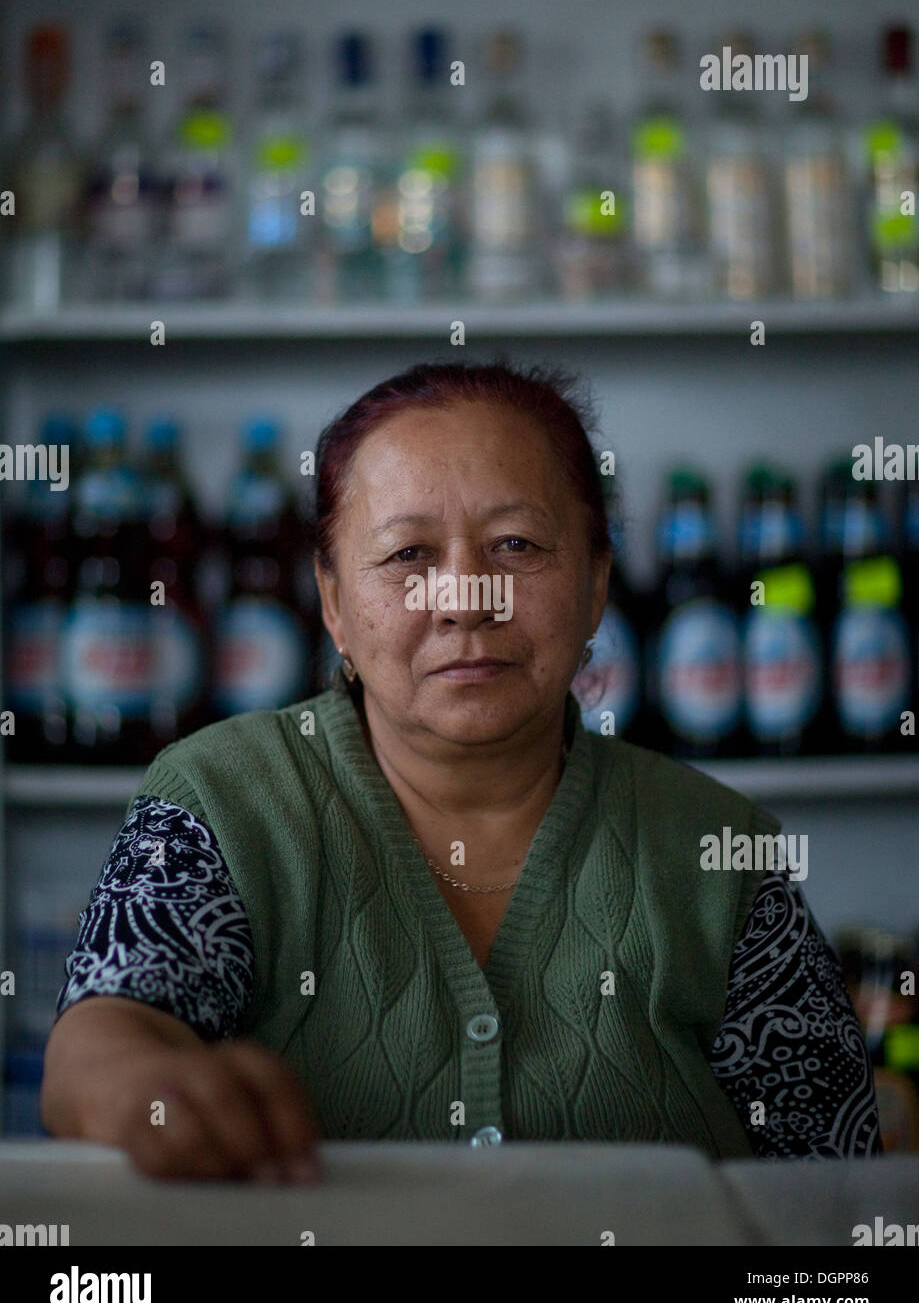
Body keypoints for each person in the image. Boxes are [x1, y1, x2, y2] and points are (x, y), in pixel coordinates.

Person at [41, 360, 882, 1182]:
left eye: (516, 544)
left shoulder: (721, 850)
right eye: (407, 554)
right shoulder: (224, 800)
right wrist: (148, 1092)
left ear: (596, 583)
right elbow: (104, 1040)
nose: (465, 599)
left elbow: (831, 1211)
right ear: (332, 602)